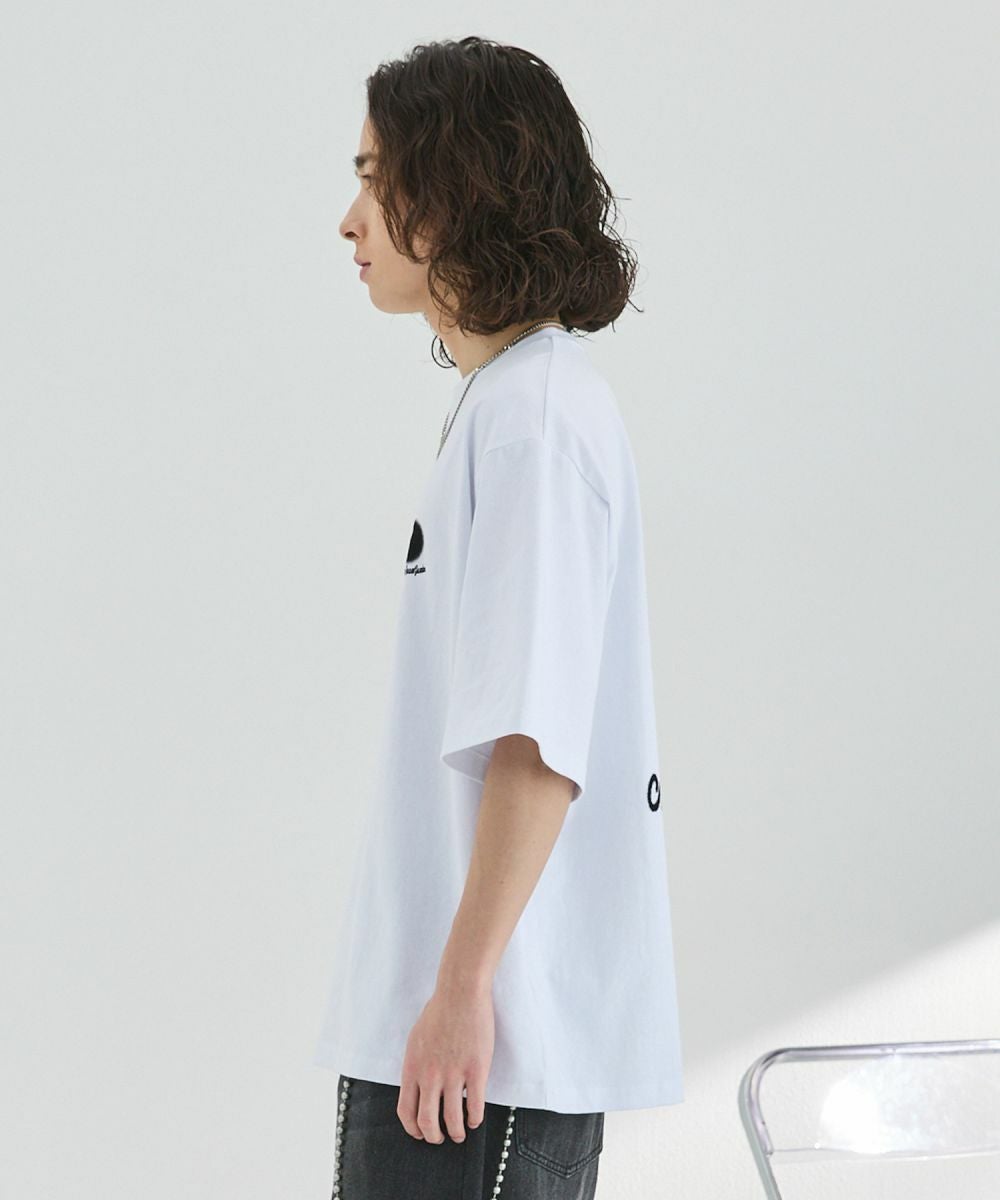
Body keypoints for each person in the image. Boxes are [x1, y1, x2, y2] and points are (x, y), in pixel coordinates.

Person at [313, 36, 684, 1199]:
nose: (349, 219)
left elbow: (535, 739)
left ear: (452, 190)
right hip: (462, 1040)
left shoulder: (533, 420)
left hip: (480, 1056)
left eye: (374, 178)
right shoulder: (513, 406)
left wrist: (463, 988)